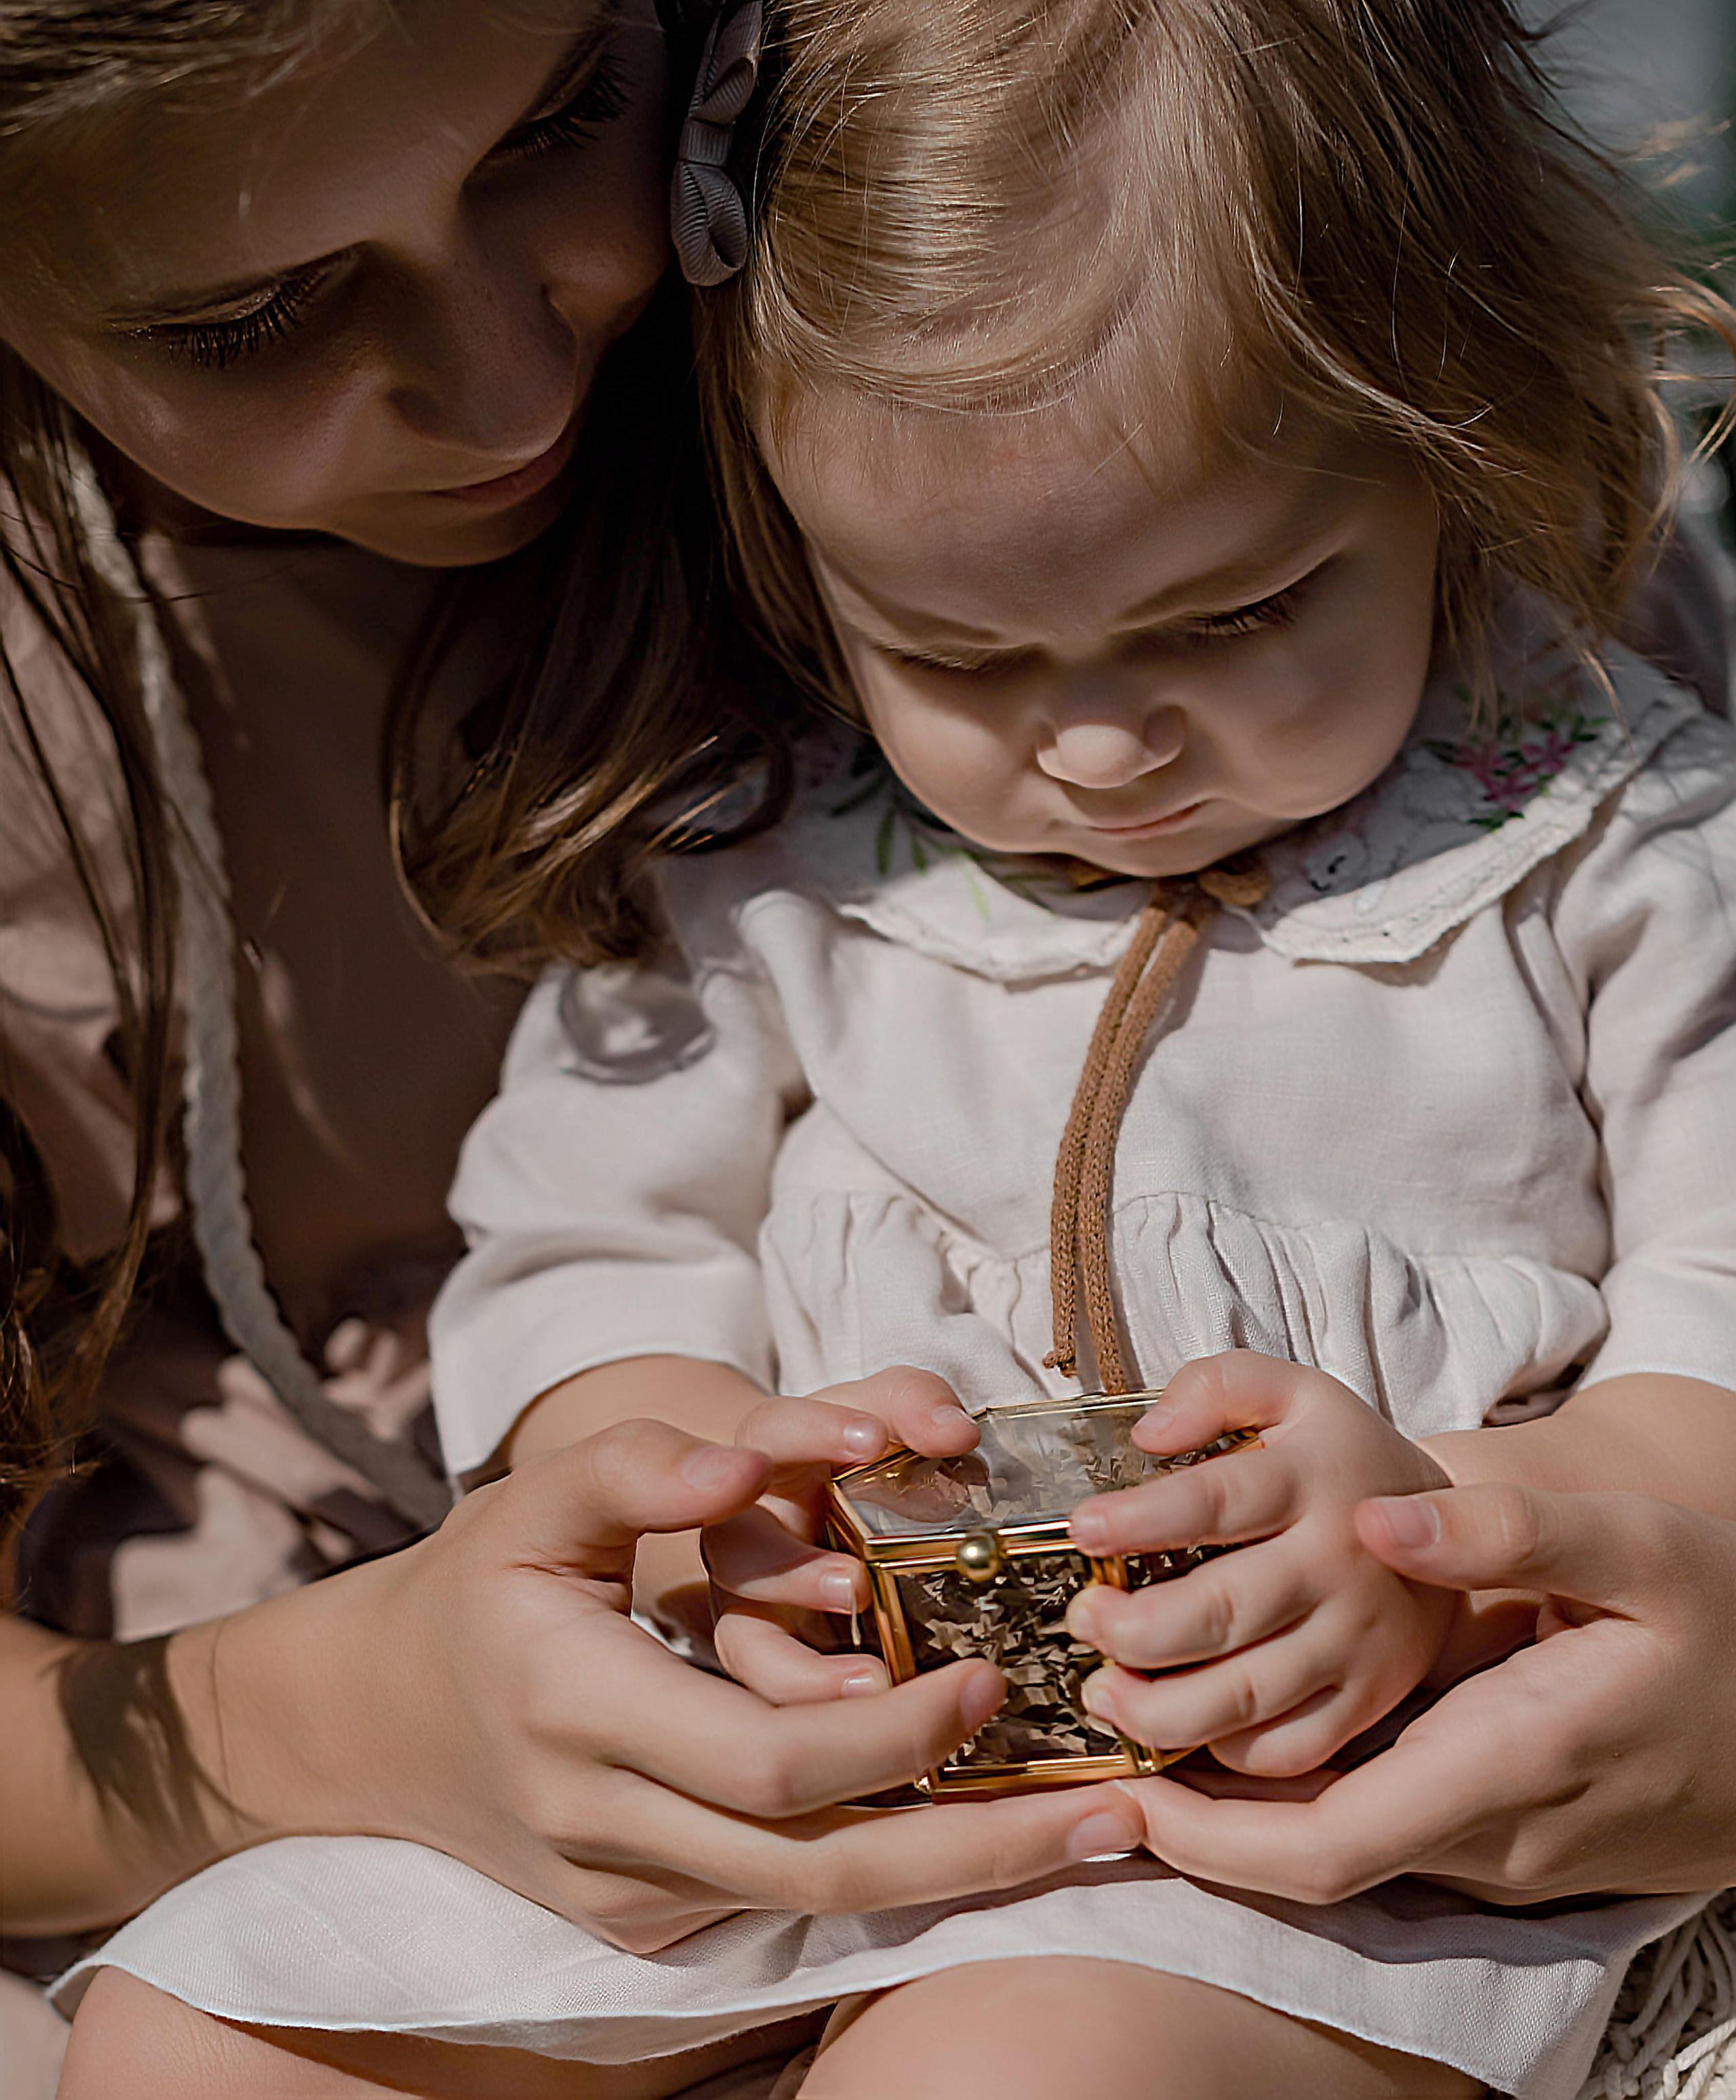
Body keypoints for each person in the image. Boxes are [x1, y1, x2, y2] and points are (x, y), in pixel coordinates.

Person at [48, 0, 1736, 2095]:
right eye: (956, 649)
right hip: (809, 1780)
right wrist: (680, 1500)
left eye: (1232, 614)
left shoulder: (1603, 825)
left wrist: (1533, 1514)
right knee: (201, 2027)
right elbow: (593, 1229)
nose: (1104, 742)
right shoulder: (771, 845)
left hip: (1296, 1822)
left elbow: (1718, 1274)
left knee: (1014, 2064)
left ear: (1451, 450)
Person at [0, 0, 1153, 2087]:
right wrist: (330, 1716)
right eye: (252, 314)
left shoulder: (1089, 217)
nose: (507, 377)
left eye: (565, 120)